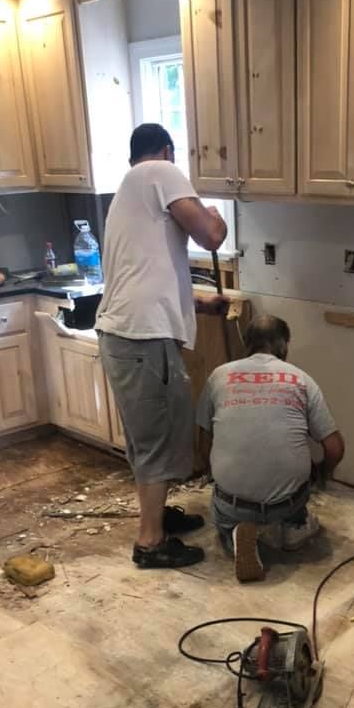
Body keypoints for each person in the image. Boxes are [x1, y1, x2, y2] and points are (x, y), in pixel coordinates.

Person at [97, 123, 228, 570]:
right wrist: (215, 214)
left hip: (128, 335)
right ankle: (150, 542)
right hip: (141, 338)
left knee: (148, 438)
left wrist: (201, 304)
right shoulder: (161, 170)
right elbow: (210, 237)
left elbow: (147, 275)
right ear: (167, 151)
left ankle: (158, 516)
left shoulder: (127, 194)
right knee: (158, 440)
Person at [196, 314, 345, 582]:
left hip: (234, 502)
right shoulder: (302, 379)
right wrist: (323, 474)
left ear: (247, 343)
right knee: (301, 473)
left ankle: (235, 533)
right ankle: (294, 526)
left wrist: (213, 473)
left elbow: (203, 440)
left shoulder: (218, 376)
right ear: (284, 346)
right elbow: (334, 448)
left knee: (220, 508)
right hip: (286, 501)